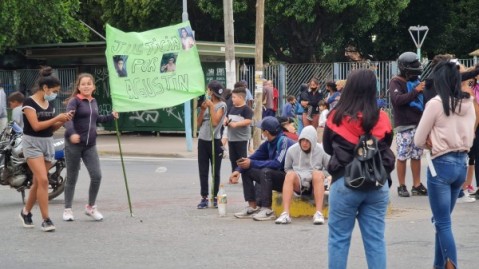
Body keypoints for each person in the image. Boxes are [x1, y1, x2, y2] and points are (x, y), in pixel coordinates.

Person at [323, 69, 395, 269]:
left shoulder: (336, 116)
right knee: (375, 240)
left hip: (345, 182)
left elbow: (328, 148)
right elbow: (386, 145)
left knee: (339, 239)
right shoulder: (382, 118)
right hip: (377, 184)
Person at [414, 61, 476, 269]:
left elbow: (418, 140)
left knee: (442, 222)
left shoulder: (436, 104)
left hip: (440, 165)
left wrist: (430, 141)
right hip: (461, 165)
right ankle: (438, 266)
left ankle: (451, 266)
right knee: (441, 222)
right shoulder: (469, 104)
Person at [19, 66, 74, 232]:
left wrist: (63, 120)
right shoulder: (29, 102)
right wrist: (57, 117)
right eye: (54, 91)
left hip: (47, 143)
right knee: (43, 180)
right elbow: (35, 126)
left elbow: (49, 129)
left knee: (37, 182)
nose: (55, 94)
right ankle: (46, 219)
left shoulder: (48, 104)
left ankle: (26, 212)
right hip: (32, 143)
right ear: (45, 88)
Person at [62, 73, 119, 222]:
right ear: (79, 87)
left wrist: (111, 116)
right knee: (72, 178)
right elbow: (68, 120)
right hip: (73, 145)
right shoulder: (74, 102)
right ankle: (67, 209)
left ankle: (91, 207)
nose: (86, 86)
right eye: (83, 84)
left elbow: (96, 119)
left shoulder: (94, 101)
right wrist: (72, 133)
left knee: (97, 176)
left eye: (89, 83)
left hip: (90, 145)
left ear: (93, 86)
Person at [229, 116, 295, 220]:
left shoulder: (284, 142)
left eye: (262, 130)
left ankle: (267, 209)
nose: (262, 133)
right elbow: (253, 158)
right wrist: (238, 170)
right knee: (247, 169)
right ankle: (252, 206)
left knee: (265, 171)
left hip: (288, 180)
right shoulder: (267, 144)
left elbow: (277, 164)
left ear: (267, 132)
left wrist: (252, 163)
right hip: (274, 176)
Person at [388, 51, 428, 197]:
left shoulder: (416, 80)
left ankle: (417, 185)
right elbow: (397, 100)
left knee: (417, 155)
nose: (416, 68)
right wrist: (415, 91)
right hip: (404, 125)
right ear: (404, 67)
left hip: (418, 124)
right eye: (413, 66)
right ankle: (402, 185)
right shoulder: (396, 81)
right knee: (403, 155)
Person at [275, 125, 330, 225]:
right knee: (289, 175)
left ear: (313, 140)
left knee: (317, 174)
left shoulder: (321, 150)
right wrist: (297, 176)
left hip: (315, 183)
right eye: (302, 140)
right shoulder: (292, 150)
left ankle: (318, 213)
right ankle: (285, 214)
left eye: (307, 141)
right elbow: (287, 168)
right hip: (298, 181)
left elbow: (329, 168)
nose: (304, 143)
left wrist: (321, 175)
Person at [197, 80, 227, 209]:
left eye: (208, 90)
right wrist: (203, 110)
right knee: (203, 170)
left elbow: (215, 123)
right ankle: (204, 197)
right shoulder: (205, 104)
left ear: (211, 91)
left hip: (215, 140)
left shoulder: (222, 105)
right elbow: (198, 124)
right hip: (203, 140)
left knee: (215, 171)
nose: (206, 92)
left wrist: (210, 106)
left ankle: (214, 197)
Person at [225, 87, 253, 172]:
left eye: (234, 97)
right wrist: (226, 122)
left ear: (241, 98)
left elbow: (248, 121)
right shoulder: (231, 108)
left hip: (242, 138)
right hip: (232, 138)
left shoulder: (246, 109)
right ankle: (234, 174)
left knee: (242, 158)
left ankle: (245, 175)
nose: (232, 99)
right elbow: (226, 117)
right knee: (232, 158)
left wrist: (236, 124)